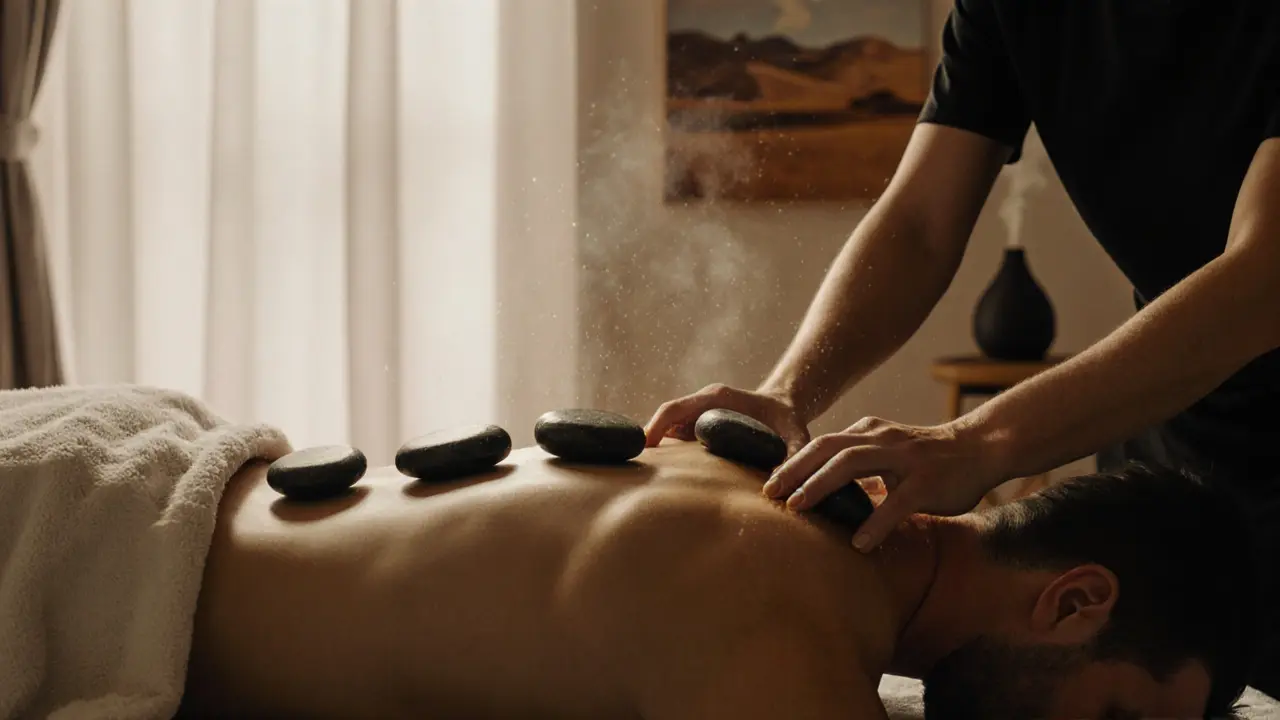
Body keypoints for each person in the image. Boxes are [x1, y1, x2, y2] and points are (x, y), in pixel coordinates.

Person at [643, 0, 1280, 697]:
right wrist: (785, 394)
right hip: (1176, 436)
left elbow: (1265, 281)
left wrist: (974, 442)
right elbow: (918, 223)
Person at [177, 439, 1257, 719]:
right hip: (106, 549)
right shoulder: (783, 622)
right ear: (1073, 600)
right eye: (1115, 719)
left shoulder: (777, 488)